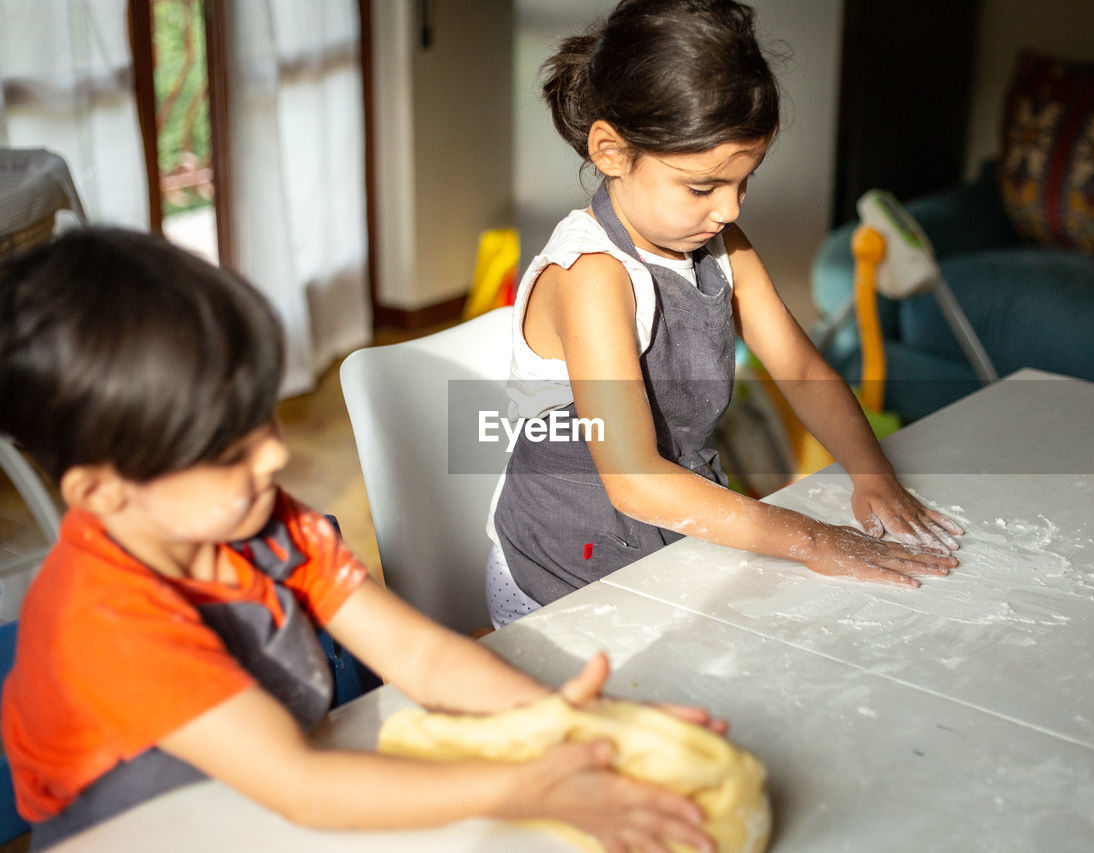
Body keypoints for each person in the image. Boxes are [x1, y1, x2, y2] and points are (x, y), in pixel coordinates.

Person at [0, 227, 720, 853]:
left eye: (264, 418)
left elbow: (418, 652)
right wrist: (524, 788)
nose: (274, 458)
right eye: (225, 451)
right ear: (102, 494)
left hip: (272, 805)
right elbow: (303, 784)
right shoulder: (102, 622)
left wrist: (572, 722)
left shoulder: (265, 525)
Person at [485, 0, 964, 627]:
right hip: (563, 580)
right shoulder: (593, 277)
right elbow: (635, 481)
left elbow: (796, 364)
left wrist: (871, 473)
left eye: (746, 181)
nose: (731, 210)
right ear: (610, 151)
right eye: (703, 186)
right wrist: (815, 539)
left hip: (664, 542)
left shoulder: (717, 245)